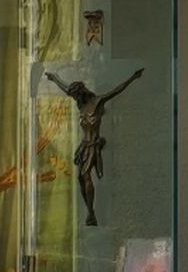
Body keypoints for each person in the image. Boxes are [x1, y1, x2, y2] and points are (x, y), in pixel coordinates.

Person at [44, 68, 144, 226]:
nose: (75, 98)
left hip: (93, 146)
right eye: (74, 96)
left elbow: (116, 90)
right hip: (84, 146)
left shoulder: (97, 102)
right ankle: (90, 212)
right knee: (80, 178)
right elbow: (65, 89)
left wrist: (133, 77)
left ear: (82, 93)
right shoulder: (81, 106)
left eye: (77, 95)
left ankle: (91, 212)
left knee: (85, 174)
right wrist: (53, 79)